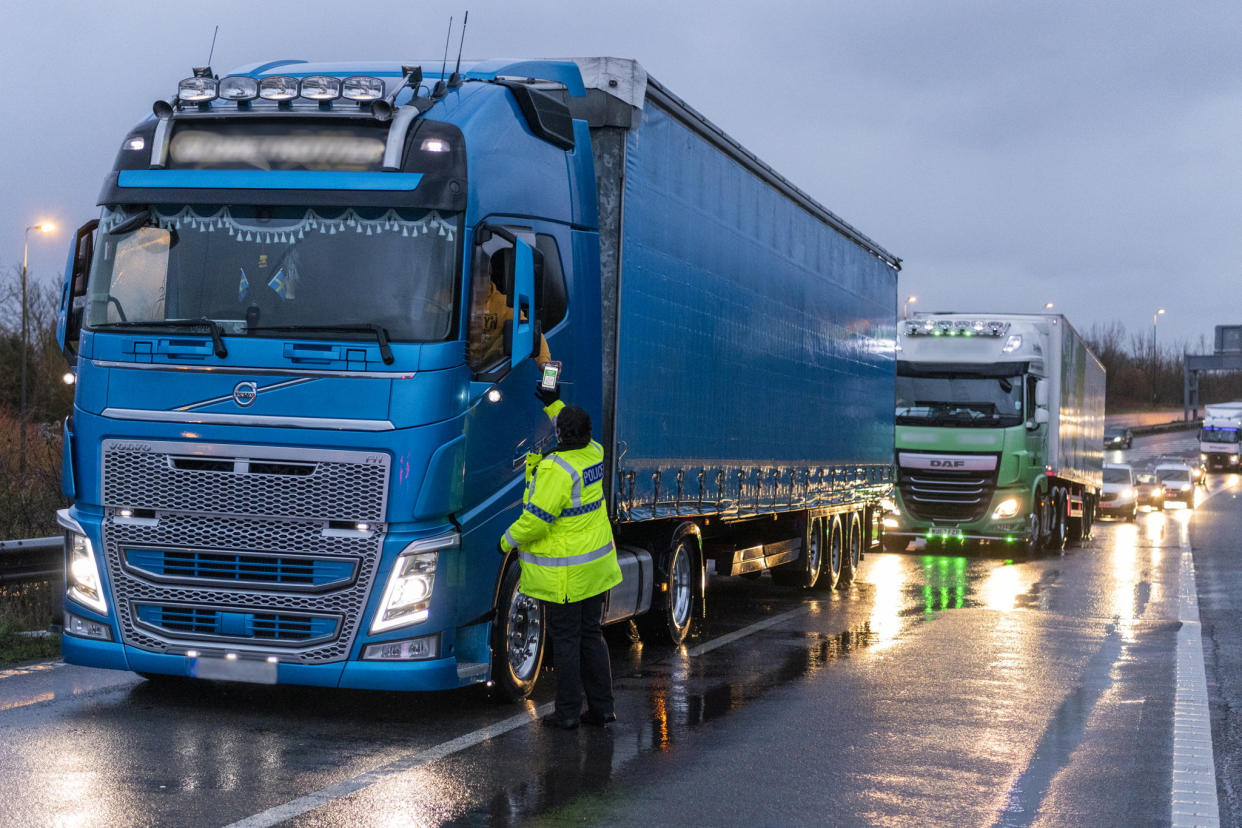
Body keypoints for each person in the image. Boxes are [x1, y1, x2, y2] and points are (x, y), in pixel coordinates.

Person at [498, 383, 621, 730]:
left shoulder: (556, 469)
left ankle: (567, 712)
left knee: (566, 642)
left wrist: (506, 541)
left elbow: (537, 520)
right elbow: (571, 427)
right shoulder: (593, 452)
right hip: (595, 568)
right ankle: (602, 708)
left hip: (567, 574)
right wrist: (555, 403)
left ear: (559, 434)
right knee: (591, 636)